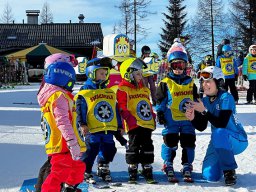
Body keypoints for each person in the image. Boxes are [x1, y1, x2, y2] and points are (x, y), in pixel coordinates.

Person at [185, 66, 248, 186]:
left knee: (219, 132)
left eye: (208, 81)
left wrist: (204, 111)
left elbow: (221, 123)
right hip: (219, 140)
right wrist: (192, 118)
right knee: (210, 175)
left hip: (237, 140)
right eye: (202, 81)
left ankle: (229, 171)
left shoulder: (226, 97)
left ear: (219, 82)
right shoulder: (204, 101)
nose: (204, 84)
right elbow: (202, 127)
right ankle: (222, 161)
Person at [75, 57, 126, 184]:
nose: (104, 76)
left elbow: (115, 110)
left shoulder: (109, 92)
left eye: (105, 73)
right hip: (92, 128)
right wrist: (82, 123)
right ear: (92, 72)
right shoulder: (85, 91)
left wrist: (119, 126)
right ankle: (86, 170)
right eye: (101, 73)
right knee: (91, 149)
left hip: (108, 127)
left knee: (110, 149)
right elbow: (80, 108)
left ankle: (103, 165)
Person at [37, 61, 86, 192]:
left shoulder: (60, 96)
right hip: (62, 144)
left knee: (78, 168)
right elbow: (62, 120)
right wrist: (71, 142)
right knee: (59, 173)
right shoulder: (58, 96)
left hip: (68, 142)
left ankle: (69, 188)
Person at [155, 49, 199, 182]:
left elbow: (196, 99)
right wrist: (160, 112)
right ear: (170, 66)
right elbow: (160, 100)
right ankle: (167, 163)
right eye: (175, 66)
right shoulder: (166, 82)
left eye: (181, 66)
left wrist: (198, 112)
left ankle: (187, 164)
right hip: (171, 117)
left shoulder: (190, 82)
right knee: (170, 141)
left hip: (188, 118)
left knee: (188, 142)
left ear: (185, 66)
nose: (178, 69)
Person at [117, 58, 156, 183]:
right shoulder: (123, 89)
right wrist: (129, 119)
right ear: (128, 74)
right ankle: (132, 167)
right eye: (138, 74)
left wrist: (153, 116)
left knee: (147, 144)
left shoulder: (144, 89)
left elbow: (148, 104)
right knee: (133, 145)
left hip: (146, 123)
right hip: (133, 124)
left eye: (141, 73)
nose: (141, 76)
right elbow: (122, 107)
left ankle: (147, 166)